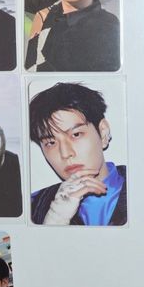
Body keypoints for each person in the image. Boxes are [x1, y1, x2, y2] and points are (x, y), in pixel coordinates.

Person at [30, 82, 127, 226]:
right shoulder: (33, 206)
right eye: (51, 143)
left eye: (76, 135)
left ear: (103, 132)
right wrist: (55, 219)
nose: (65, 153)